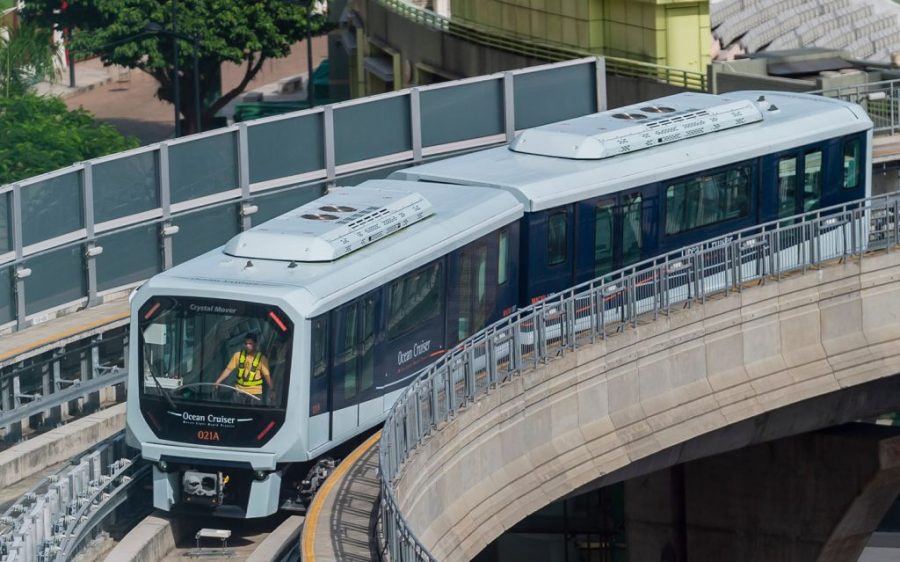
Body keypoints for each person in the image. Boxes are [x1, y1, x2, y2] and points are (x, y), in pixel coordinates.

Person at [214, 333, 275, 402]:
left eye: (250, 344)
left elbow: (267, 375)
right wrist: (218, 381)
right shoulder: (238, 356)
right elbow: (228, 369)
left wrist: (272, 390)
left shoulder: (262, 359)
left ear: (255, 344)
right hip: (239, 392)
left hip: (255, 394)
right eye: (246, 343)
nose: (247, 346)